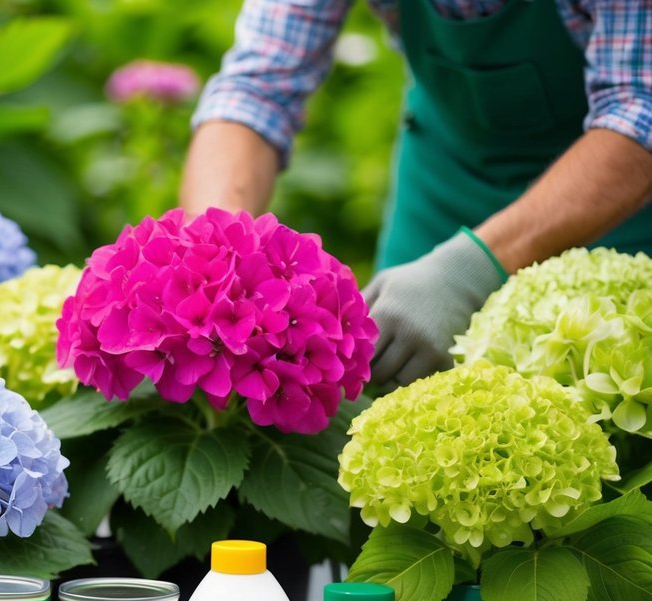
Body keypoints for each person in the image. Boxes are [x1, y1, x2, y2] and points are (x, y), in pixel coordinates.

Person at [179, 1, 652, 389]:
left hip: (619, 207)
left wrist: (463, 274)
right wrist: (213, 263)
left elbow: (641, 109)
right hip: (447, 171)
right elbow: (255, 89)